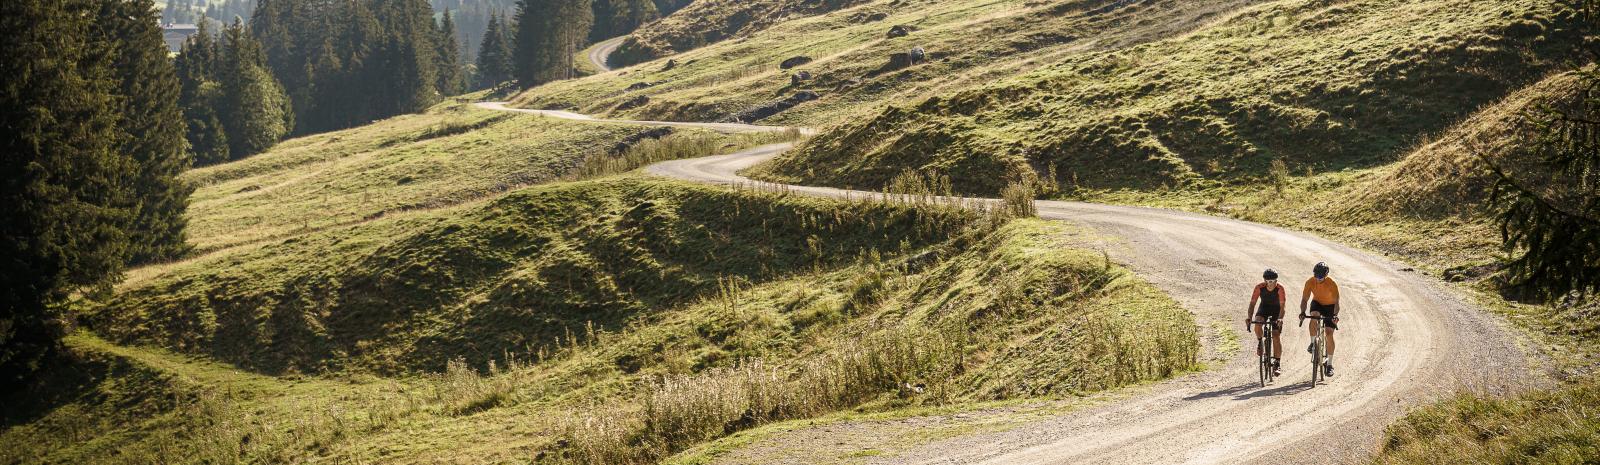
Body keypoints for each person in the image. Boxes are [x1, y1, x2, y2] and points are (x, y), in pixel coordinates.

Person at [1299, 262, 1340, 377]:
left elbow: (1337, 303)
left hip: (1330, 306)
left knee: (1329, 333)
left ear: (1326, 275)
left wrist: (1335, 315)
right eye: (1316, 276)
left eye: (1320, 277)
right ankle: (1312, 343)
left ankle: (1330, 364)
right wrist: (1302, 312)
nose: (1318, 279)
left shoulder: (1332, 283)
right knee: (1314, 316)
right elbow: (1304, 300)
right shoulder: (1310, 282)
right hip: (1317, 303)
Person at [1246, 269, 1286, 376]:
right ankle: (1260, 342)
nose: (1271, 284)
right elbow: (1252, 304)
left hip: (1276, 311)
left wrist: (1280, 318)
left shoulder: (1280, 288)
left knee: (1276, 335)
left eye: (1273, 281)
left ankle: (1277, 362)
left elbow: (1282, 307)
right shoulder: (1259, 287)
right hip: (1263, 308)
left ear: (1276, 280)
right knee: (1258, 322)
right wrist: (1249, 317)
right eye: (1269, 281)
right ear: (1264, 281)